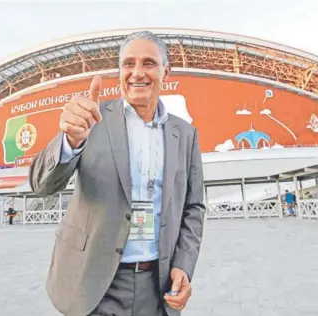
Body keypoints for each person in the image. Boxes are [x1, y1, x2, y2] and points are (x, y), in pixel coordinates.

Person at [29, 30, 206, 316]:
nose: (137, 73)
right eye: (128, 64)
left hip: (157, 285)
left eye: (148, 63)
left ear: (166, 71)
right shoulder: (91, 118)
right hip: (94, 283)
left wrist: (183, 264)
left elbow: (194, 206)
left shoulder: (184, 135)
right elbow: (40, 185)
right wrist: (70, 141)